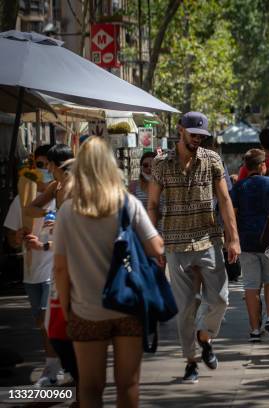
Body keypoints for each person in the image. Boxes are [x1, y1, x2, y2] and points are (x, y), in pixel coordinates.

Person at [53, 137, 164, 407]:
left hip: (86, 309)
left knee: (90, 388)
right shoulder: (127, 204)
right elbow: (156, 248)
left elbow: (60, 268)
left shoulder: (68, 211)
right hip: (127, 306)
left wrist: (68, 309)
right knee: (128, 384)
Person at [148, 112, 240, 384]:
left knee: (221, 299)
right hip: (175, 243)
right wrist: (152, 243)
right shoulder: (161, 164)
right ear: (180, 131)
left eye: (201, 135)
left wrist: (233, 238)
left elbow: (224, 201)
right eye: (193, 134)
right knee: (186, 307)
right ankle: (191, 361)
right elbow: (152, 205)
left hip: (208, 238)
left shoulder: (212, 159)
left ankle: (205, 335)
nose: (197, 139)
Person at [3, 144, 63, 387]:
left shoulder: (62, 198)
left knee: (50, 322)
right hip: (31, 274)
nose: (44, 170)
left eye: (48, 165)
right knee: (43, 324)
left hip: (53, 270)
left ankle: (52, 371)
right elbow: (10, 237)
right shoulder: (23, 198)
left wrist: (44, 246)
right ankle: (60, 366)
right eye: (40, 165)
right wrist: (17, 238)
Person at [237, 127, 269, 323]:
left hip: (250, 228)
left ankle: (256, 314)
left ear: (261, 143)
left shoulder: (248, 167)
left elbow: (239, 194)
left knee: (253, 278)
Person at [231, 149, 269, 342]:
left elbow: (232, 214)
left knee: (251, 285)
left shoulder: (239, 187)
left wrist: (232, 239)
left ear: (246, 167)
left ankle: (254, 329)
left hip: (246, 242)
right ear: (262, 166)